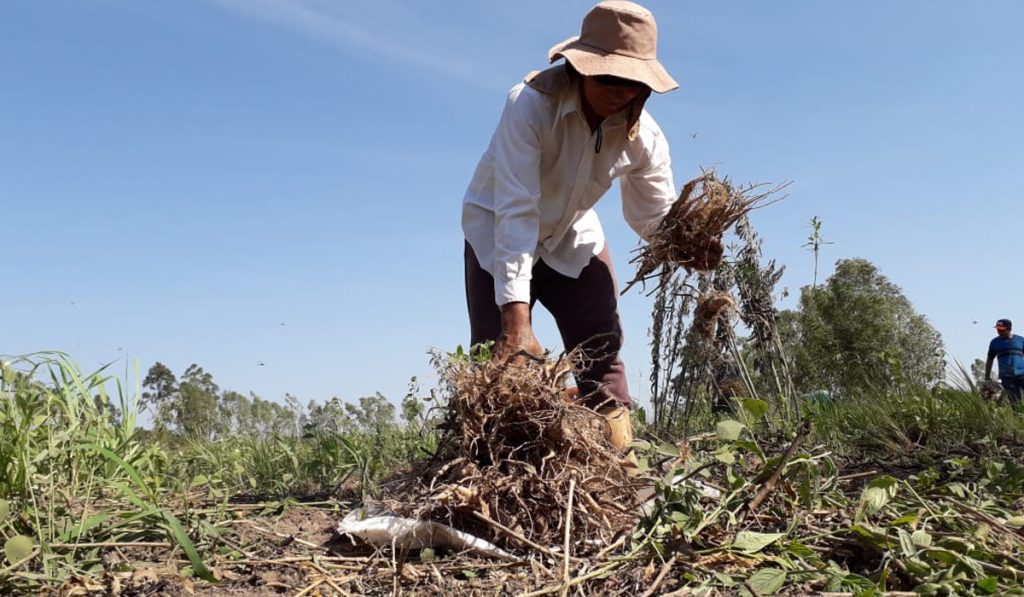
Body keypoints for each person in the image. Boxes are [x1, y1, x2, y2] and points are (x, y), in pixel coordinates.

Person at [461, 1, 687, 450]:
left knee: (602, 351)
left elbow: (651, 215)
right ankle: (505, 470)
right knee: (502, 361)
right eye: (608, 76)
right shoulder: (530, 106)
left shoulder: (646, 138)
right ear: (581, 69)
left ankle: (618, 464)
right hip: (498, 235)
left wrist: (684, 242)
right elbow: (517, 209)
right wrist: (516, 321)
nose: (620, 90)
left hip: (573, 238)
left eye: (633, 81)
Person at [985, 318, 1024, 406]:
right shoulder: (994, 342)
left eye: (1002, 330)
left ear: (1009, 329)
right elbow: (990, 359)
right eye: (998, 329)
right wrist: (987, 376)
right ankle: (1018, 418)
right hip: (1007, 376)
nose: (999, 332)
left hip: (1022, 373)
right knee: (1015, 402)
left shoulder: (1020, 340)